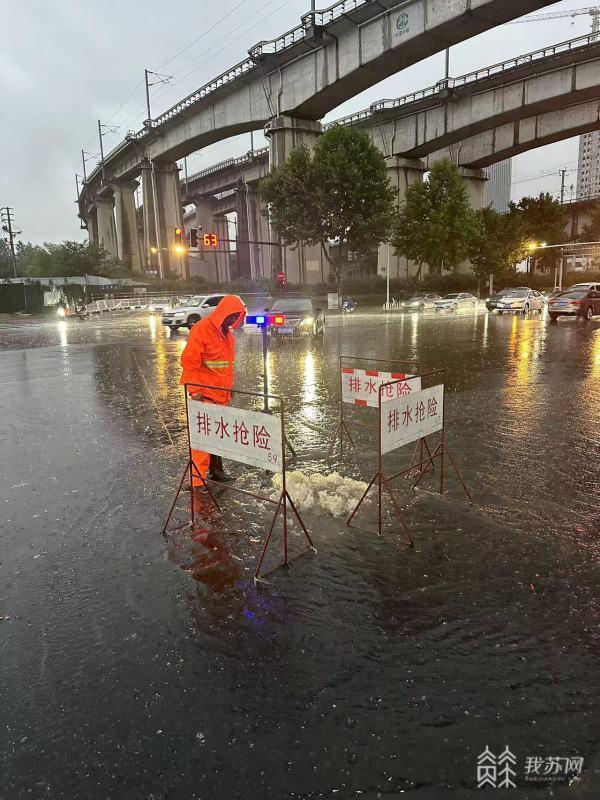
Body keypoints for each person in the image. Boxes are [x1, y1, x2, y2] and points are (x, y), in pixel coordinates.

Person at [180, 294, 246, 491]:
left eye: (237, 318)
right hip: (205, 395)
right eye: (233, 317)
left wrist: (230, 387)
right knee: (202, 439)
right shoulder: (202, 330)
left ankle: (216, 471)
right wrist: (195, 390)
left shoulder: (227, 335)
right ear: (225, 314)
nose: (234, 321)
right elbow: (189, 362)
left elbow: (227, 365)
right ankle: (197, 480)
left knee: (217, 436)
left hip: (220, 394)